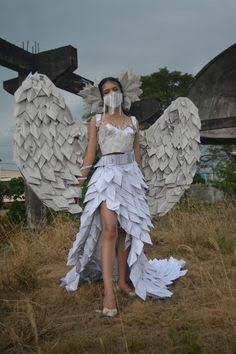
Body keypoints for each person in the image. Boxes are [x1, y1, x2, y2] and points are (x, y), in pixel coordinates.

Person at [60, 76, 187, 318]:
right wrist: (78, 184)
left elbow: (137, 156)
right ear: (102, 97)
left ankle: (123, 282)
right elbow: (90, 154)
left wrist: (141, 185)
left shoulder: (133, 121)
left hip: (130, 178)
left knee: (124, 233)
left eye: (114, 89)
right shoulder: (96, 121)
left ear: (122, 92)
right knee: (109, 229)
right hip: (105, 177)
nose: (111, 94)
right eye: (106, 91)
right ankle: (109, 291)